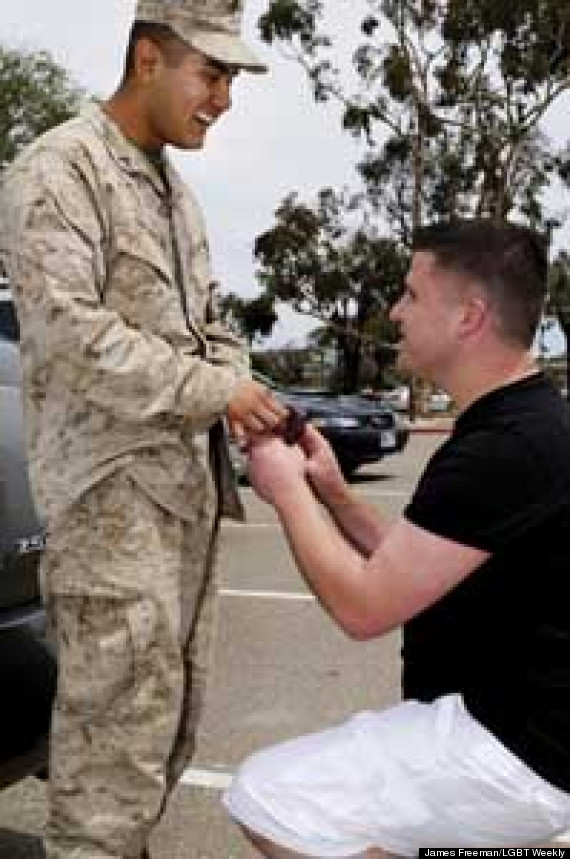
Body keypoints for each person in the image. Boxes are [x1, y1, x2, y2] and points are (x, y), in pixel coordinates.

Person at [0, 2, 288, 857]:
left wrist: (253, 392)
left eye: (232, 78)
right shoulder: (59, 170)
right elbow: (71, 336)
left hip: (181, 515)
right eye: (213, 73)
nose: (224, 98)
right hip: (110, 521)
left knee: (155, 746)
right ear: (148, 58)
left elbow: (207, 325)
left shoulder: (175, 194)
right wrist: (219, 391)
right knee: (102, 782)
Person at [223, 220, 570, 857]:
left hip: (513, 749)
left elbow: (364, 608)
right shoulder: (521, 420)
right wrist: (332, 489)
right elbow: (417, 565)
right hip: (524, 733)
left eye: (411, 294)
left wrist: (286, 491)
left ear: (469, 316)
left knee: (269, 797)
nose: (394, 310)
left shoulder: (505, 446)